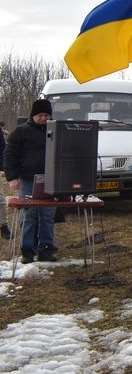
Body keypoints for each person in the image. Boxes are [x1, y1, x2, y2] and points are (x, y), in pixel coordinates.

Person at [4, 99, 57, 263]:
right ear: (33, 115)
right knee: (28, 215)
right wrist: (12, 177)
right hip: (28, 180)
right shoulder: (21, 132)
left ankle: (46, 249)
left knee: (47, 216)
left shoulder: (55, 131)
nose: (44, 118)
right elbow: (10, 155)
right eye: (40, 115)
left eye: (47, 115)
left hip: (51, 180)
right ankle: (27, 250)